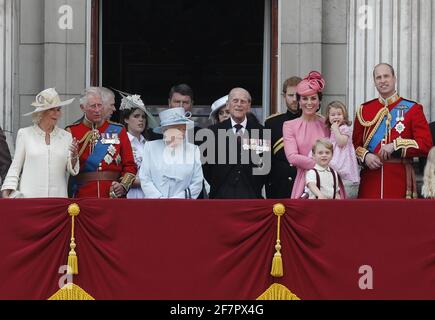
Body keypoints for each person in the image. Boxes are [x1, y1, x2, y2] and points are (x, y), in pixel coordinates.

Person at [352, 63, 432, 199]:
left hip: (399, 180)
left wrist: (395, 145)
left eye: (386, 76)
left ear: (394, 79)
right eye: (378, 77)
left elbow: (426, 144)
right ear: (375, 82)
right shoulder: (364, 110)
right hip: (370, 181)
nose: (382, 80)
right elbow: (353, 145)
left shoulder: (413, 109)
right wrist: (365, 156)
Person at [1, 88, 79, 198]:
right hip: (30, 199)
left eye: (58, 109)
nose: (56, 114)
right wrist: (7, 190)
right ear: (41, 113)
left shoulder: (66, 136)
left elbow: (71, 170)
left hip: (58, 199)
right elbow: (15, 167)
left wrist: (74, 156)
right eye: (52, 109)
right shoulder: (25, 134)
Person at [66, 87, 137, 198]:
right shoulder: (72, 131)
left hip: (112, 195)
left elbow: (130, 165)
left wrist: (123, 186)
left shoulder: (118, 130)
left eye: (100, 105)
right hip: (83, 195)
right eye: (93, 106)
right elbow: (67, 168)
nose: (97, 110)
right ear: (82, 108)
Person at [203, 88, 270, 199]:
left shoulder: (262, 132)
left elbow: (265, 167)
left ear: (248, 106)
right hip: (220, 198)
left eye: (243, 101)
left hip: (251, 198)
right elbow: (207, 169)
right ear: (228, 105)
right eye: (235, 101)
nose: (239, 104)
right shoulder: (212, 132)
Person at [283, 71, 330, 199]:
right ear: (299, 101)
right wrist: (321, 163)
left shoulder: (326, 124)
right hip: (304, 182)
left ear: (319, 101)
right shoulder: (289, 125)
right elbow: (292, 157)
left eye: (313, 98)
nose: (309, 102)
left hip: (328, 180)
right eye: (304, 98)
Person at [139, 107, 204, 199]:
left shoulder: (193, 150)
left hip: (183, 206)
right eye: (177, 129)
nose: (181, 133)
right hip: (154, 205)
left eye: (183, 129)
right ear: (164, 130)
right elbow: (145, 178)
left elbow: (197, 182)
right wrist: (159, 199)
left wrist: (177, 200)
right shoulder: (150, 147)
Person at [264, 76, 302, 198]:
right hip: (279, 187)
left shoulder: (317, 122)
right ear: (284, 96)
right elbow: (265, 159)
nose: (295, 99)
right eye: (291, 95)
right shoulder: (271, 123)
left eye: (298, 95)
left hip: (306, 185)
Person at [120, 93, 155, 198]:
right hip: (129, 195)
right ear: (126, 119)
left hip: (149, 196)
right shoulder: (120, 142)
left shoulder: (149, 144)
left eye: (143, 117)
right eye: (136, 116)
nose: (141, 120)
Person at [325, 101, 360, 198]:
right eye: (333, 115)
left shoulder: (344, 128)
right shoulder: (331, 129)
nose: (336, 117)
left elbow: (341, 142)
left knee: (344, 182)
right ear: (328, 117)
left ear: (344, 116)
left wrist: (336, 130)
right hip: (334, 159)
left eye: (339, 114)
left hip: (343, 160)